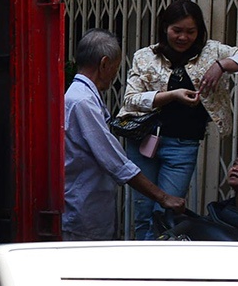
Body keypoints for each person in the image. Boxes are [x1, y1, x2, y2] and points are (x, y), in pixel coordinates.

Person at [120, 0, 238, 238]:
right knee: (143, 213)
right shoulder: (145, 56)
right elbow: (130, 100)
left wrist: (221, 65)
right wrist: (171, 96)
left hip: (183, 146)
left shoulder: (211, 51)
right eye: (176, 31)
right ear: (164, 28)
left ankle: (155, 268)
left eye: (191, 32)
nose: (183, 37)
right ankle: (142, 268)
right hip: (143, 143)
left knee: (166, 214)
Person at [65, 30, 185, 240]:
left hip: (87, 205)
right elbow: (115, 162)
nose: (115, 74)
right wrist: (163, 197)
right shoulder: (82, 101)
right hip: (81, 209)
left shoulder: (82, 96)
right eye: (116, 67)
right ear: (104, 64)